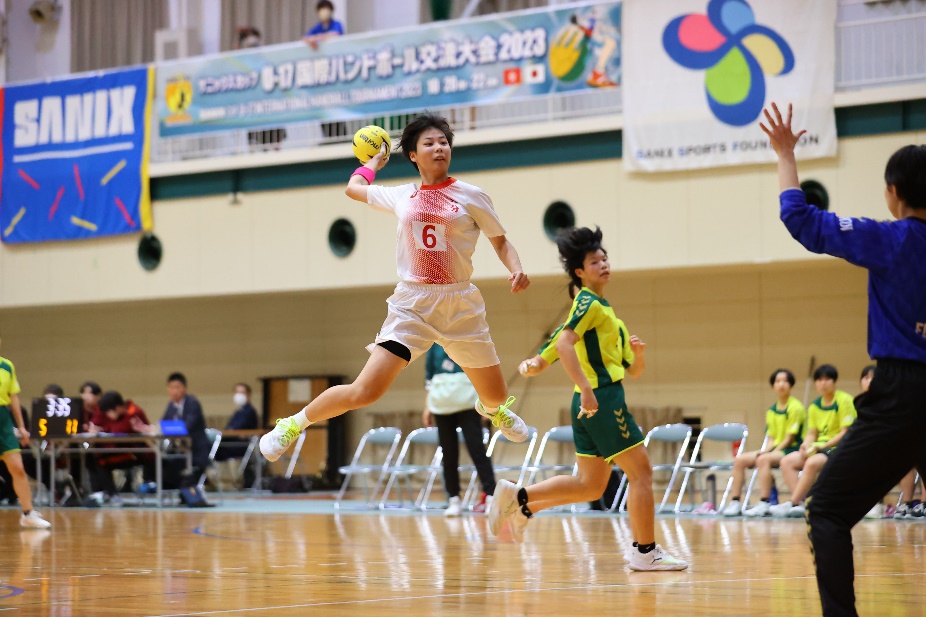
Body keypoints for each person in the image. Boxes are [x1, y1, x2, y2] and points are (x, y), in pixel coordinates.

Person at [260, 113, 531, 464]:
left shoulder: (472, 195)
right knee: (365, 391)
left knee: (496, 396)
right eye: (429, 143)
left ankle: (492, 409)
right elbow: (353, 188)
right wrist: (373, 162)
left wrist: (516, 269)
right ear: (413, 155)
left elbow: (501, 242)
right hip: (412, 306)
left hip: (459, 304)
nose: (439, 148)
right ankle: (292, 424)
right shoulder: (403, 195)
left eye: (444, 142)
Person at [762, 103, 926, 617]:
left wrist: (786, 154)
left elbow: (800, 219)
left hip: (901, 396)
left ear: (893, 193)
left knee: (828, 510)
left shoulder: (891, 238)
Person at [495, 226, 687, 571]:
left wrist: (639, 356)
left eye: (605, 258)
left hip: (596, 399)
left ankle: (521, 499)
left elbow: (634, 370)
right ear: (580, 272)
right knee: (641, 472)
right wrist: (584, 387)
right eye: (595, 261)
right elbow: (563, 343)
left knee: (591, 485)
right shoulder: (587, 302)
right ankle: (645, 551)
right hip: (600, 399)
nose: (604, 264)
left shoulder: (609, 315)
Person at [768, 364, 856, 518]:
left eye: (827, 379)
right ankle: (802, 503)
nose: (823, 383)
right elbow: (811, 433)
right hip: (819, 448)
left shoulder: (844, 401)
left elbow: (845, 432)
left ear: (834, 382)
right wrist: (805, 445)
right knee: (787, 461)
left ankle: (794, 502)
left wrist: (823, 445)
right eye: (819, 380)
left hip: (839, 448)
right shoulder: (814, 406)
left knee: (811, 463)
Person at [421, 344, 496, 517]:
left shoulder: (468, 340)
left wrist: (486, 404)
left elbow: (482, 372)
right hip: (441, 404)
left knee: (477, 450)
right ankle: (453, 499)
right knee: (448, 454)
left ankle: (491, 495)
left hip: (469, 403)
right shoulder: (434, 346)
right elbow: (429, 379)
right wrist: (427, 406)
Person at [721, 368, 805, 517]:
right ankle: (735, 502)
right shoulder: (772, 410)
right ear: (773, 385)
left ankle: (764, 502)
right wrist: (765, 450)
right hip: (776, 450)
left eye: (785, 381)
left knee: (763, 459)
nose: (781, 384)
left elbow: (789, 438)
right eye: (778, 381)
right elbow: (771, 438)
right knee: (740, 460)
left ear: (791, 385)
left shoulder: (795, 407)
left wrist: (769, 453)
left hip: (792, 449)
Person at [0, 335, 50, 528]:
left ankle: (28, 514)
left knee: (18, 468)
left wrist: (21, 426)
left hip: (3, 420)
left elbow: (13, 398)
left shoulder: (7, 366)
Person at [132, 373, 211, 482]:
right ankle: (151, 486)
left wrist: (164, 429)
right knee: (151, 461)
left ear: (184, 389)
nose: (174, 391)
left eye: (177, 387)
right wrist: (147, 429)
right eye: (171, 387)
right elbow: (163, 424)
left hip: (194, 450)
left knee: (168, 467)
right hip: (178, 450)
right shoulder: (171, 405)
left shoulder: (193, 403)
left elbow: (185, 428)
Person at [87, 391, 152, 505]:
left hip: (135, 452)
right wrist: (93, 428)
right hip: (114, 450)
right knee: (90, 456)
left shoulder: (134, 411)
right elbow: (95, 422)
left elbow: (121, 430)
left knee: (101, 461)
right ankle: (103, 492)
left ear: (117, 408)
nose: (106, 415)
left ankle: (111, 494)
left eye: (108, 412)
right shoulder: (106, 411)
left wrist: (104, 429)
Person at [215, 383, 260, 487]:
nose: (238, 395)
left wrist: (230, 431)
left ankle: (229, 482)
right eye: (237, 392)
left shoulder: (250, 411)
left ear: (248, 395)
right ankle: (222, 481)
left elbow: (236, 429)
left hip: (241, 445)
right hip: (232, 442)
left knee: (217, 449)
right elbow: (229, 428)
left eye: (242, 393)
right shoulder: (238, 411)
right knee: (214, 448)